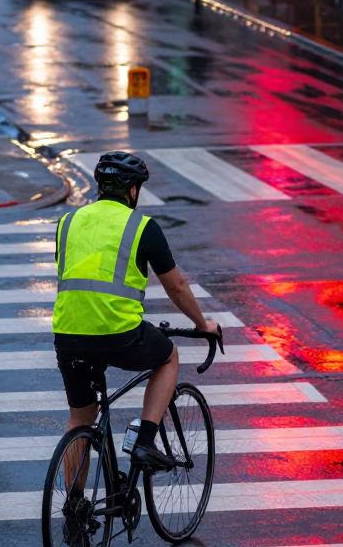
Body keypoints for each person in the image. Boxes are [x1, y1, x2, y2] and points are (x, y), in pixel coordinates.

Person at [53, 151, 219, 470]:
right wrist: (202, 324)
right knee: (168, 356)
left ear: (101, 186)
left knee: (79, 422)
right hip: (119, 334)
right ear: (132, 190)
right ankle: (144, 442)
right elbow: (176, 287)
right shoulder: (142, 226)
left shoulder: (68, 222)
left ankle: (75, 499)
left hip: (67, 335)